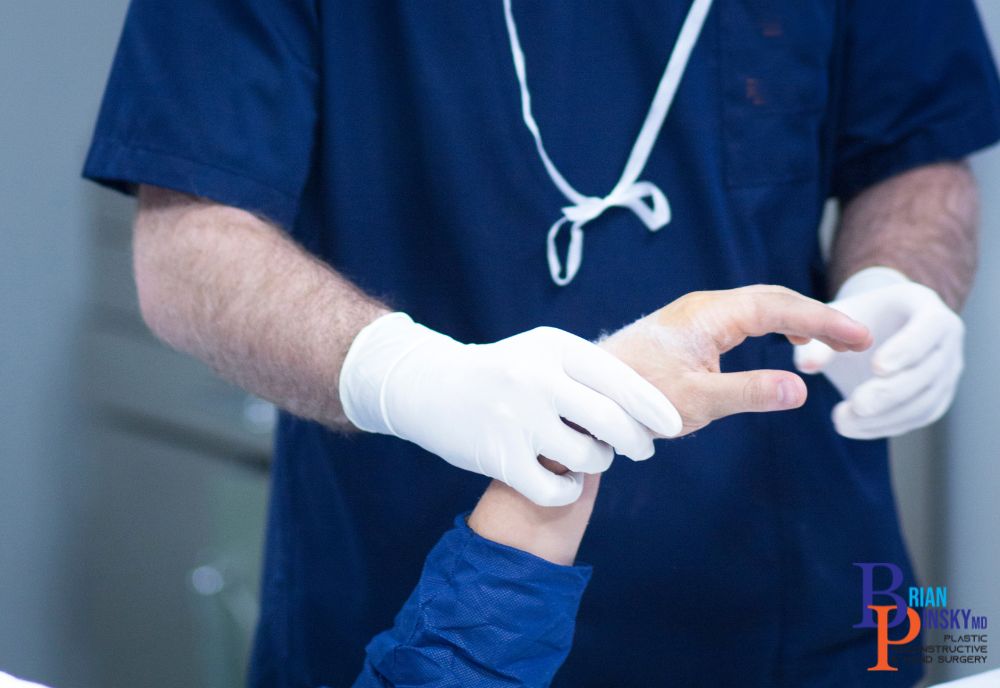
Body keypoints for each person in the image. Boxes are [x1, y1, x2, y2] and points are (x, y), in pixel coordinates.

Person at [82, 1, 1000, 685]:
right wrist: (407, 375)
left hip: (789, 599)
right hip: (419, 607)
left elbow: (915, 152)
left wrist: (900, 285)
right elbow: (190, 239)